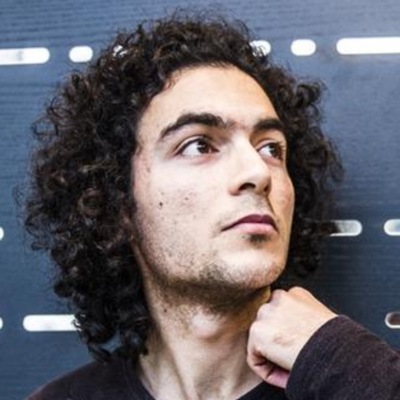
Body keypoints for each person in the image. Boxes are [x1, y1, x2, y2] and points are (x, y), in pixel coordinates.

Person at [24, 11, 400, 400]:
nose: (258, 171)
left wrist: (338, 361)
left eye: (271, 148)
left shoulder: (355, 379)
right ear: (117, 202)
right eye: (199, 145)